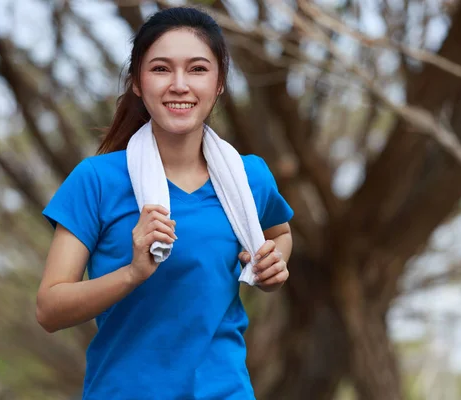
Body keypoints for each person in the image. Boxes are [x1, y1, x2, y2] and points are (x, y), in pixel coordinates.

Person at [36, 6, 293, 400]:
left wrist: (273, 264)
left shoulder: (248, 178)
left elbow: (279, 233)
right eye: (160, 69)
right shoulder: (97, 181)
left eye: (197, 69)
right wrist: (133, 272)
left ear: (219, 82)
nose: (179, 84)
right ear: (137, 82)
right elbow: (50, 309)